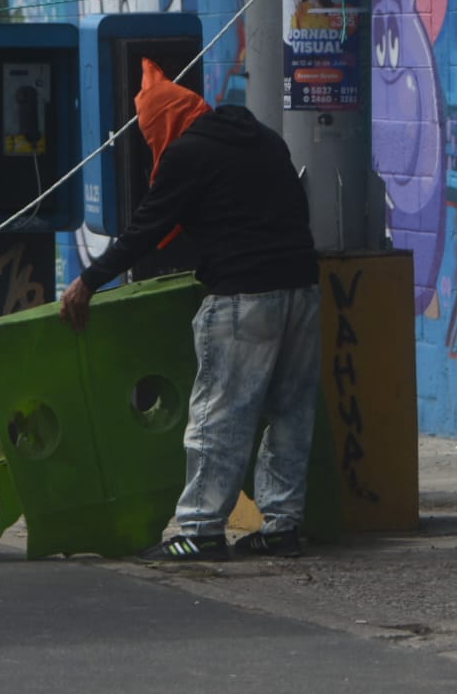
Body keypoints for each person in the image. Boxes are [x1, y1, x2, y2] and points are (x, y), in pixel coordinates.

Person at [59, 59, 321, 562]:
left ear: (163, 123)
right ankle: (283, 524)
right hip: (303, 289)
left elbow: (147, 228)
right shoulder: (264, 138)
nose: (152, 142)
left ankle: (199, 530)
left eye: (150, 132)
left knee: (219, 414)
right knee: (291, 411)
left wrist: (88, 282)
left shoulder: (187, 153)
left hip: (245, 296)